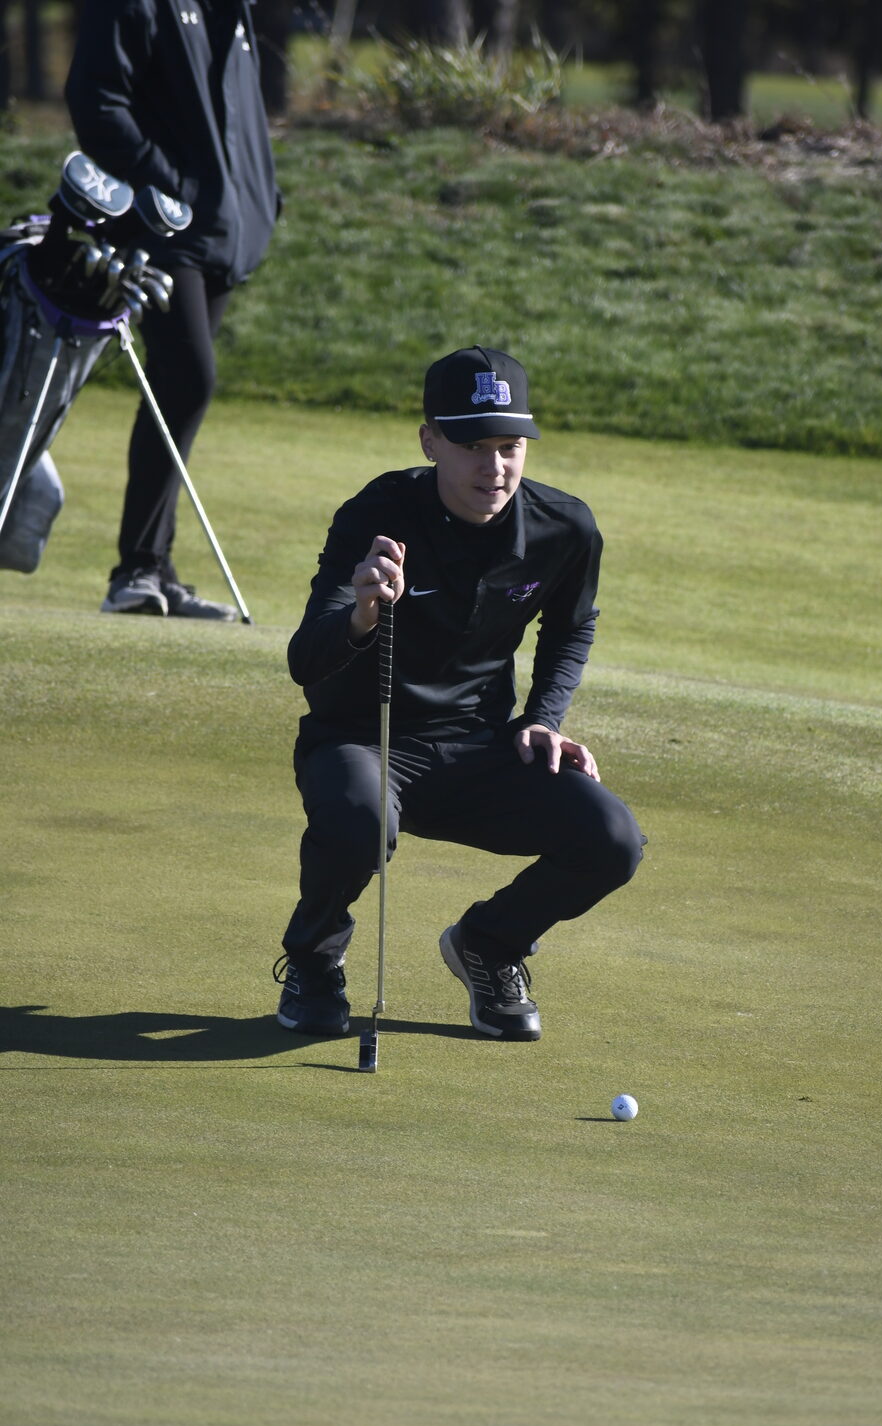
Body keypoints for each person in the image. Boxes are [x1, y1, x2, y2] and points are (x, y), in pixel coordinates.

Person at [275, 345, 645, 1041]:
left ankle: (489, 943)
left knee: (612, 839)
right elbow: (305, 659)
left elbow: (572, 627)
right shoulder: (378, 514)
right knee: (359, 823)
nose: (494, 466)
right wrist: (362, 614)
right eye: (473, 445)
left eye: (510, 446)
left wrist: (542, 719)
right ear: (430, 440)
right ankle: (314, 960)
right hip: (362, 740)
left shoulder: (565, 528)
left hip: (479, 748)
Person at [64, 0, 278, 620]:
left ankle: (154, 568)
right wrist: (168, 187)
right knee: (188, 376)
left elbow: (241, 121)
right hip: (160, 226)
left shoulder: (233, 10)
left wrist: (262, 199)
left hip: (219, 230)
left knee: (177, 389)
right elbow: (96, 99)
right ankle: (135, 569)